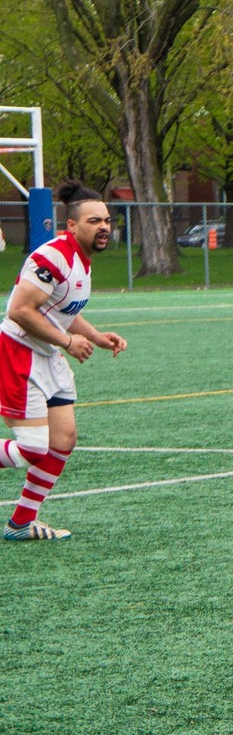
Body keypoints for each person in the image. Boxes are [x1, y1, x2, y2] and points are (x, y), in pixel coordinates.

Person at [0, 182, 126, 541]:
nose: (103, 226)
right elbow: (20, 310)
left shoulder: (81, 262)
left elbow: (61, 311)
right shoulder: (52, 257)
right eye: (93, 220)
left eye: (106, 220)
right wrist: (69, 342)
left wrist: (96, 336)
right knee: (32, 449)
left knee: (63, 440)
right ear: (71, 226)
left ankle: (21, 523)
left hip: (48, 356)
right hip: (19, 355)